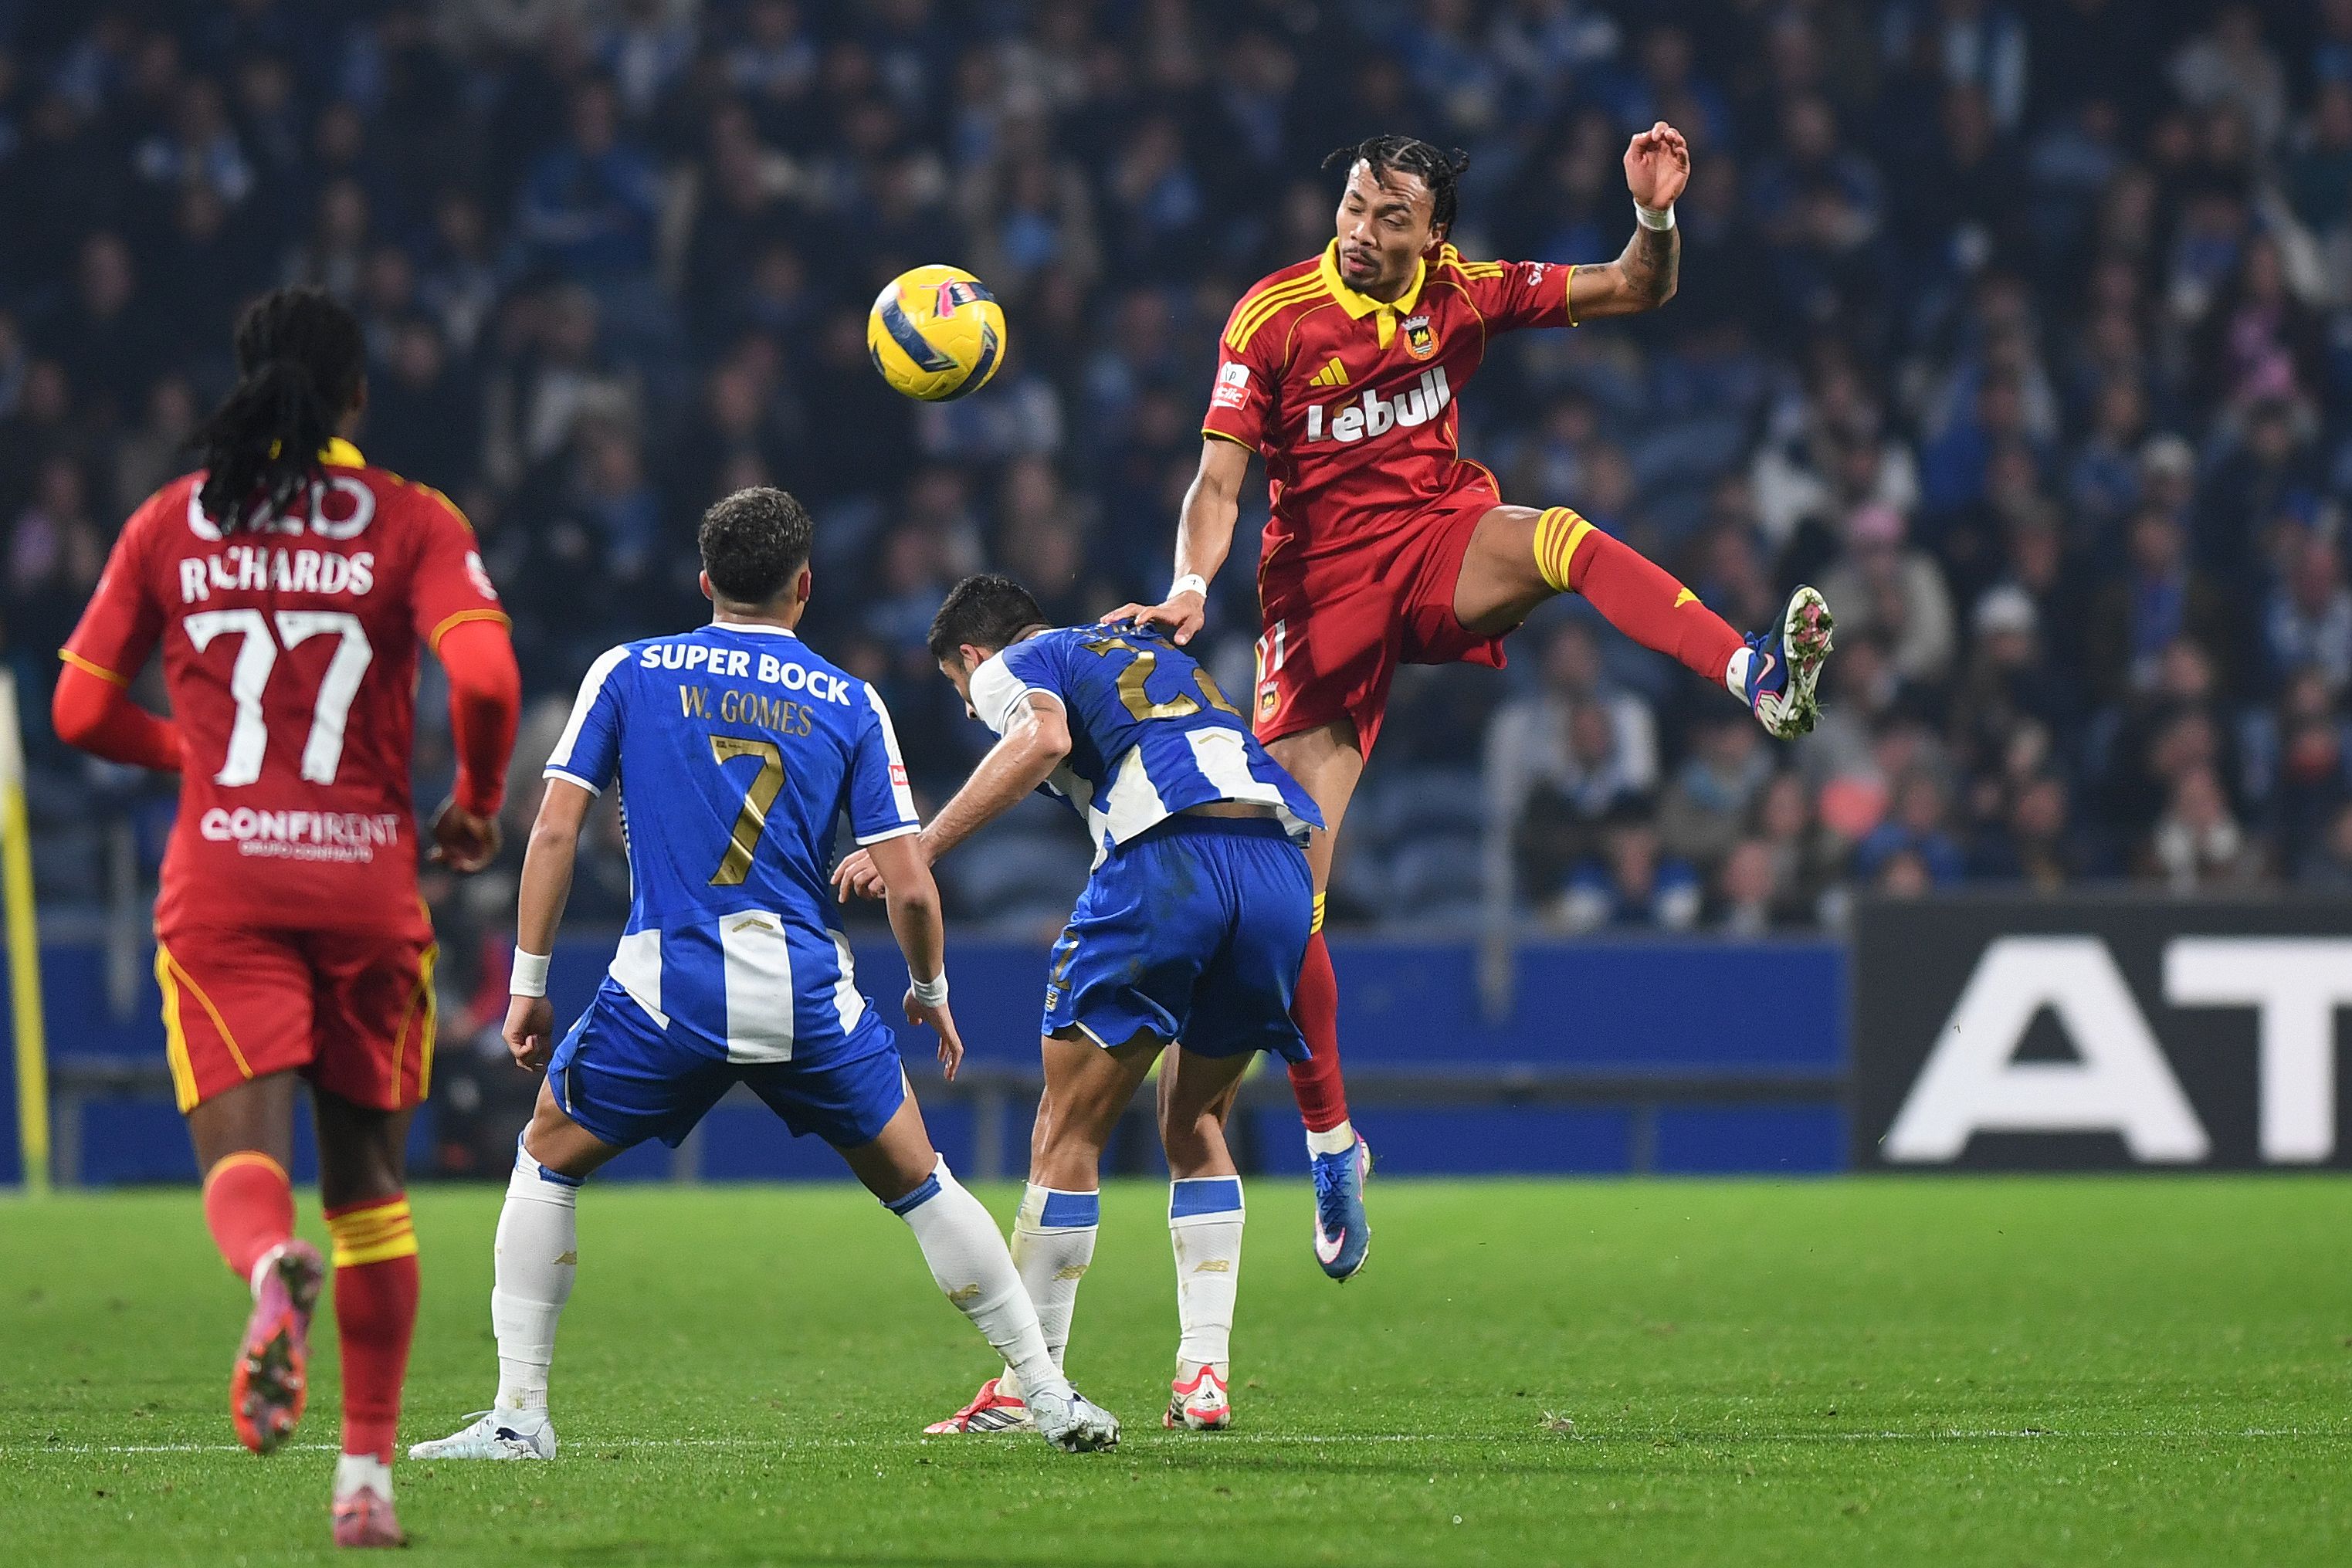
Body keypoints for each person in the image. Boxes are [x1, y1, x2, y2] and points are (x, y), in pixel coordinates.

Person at [1106, 128, 1834, 1280]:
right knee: (1288, 893)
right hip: (1321, 597)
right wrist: (1191, 585)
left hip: (1437, 540)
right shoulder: (1274, 317)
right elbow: (1218, 478)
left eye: (1390, 217)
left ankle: (1756, 676)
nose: (1362, 231)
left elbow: (1635, 287)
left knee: (1561, 536)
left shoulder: (1464, 292)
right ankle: (1332, 1141)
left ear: (1433, 232)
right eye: (1353, 206)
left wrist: (1652, 215)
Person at [408, 492, 1119, 1465]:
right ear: (804, 587)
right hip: (804, 996)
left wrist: (528, 981)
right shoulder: (849, 699)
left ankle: (519, 1417)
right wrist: (931, 991)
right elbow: (910, 884)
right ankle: (1044, 1391)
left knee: (545, 1158)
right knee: (923, 1184)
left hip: (668, 992)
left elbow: (556, 831)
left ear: (705, 580)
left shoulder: (630, 670)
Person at [52, 286, 521, 1548]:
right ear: (357, 396)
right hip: (366, 883)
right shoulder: (410, 517)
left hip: (226, 882)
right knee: (371, 1195)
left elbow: (78, 709)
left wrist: (196, 754)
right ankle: (364, 1484)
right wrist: (477, 804)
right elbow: (485, 675)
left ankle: (270, 1269)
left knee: (245, 1166)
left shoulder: (174, 518)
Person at [832, 574, 1323, 1436]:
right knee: (1196, 1120)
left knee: (1066, 1128)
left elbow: (1043, 737)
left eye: (959, 685)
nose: (970, 704)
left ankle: (1029, 1386)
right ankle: (1203, 1375)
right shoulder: (1133, 645)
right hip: (1277, 866)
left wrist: (920, 848)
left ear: (973, 654)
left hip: (1169, 860)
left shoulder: (1015, 662)